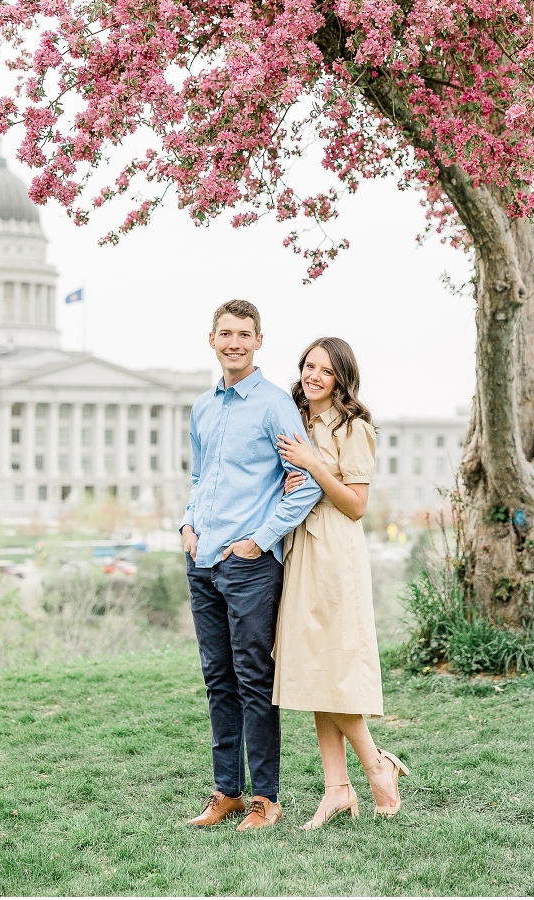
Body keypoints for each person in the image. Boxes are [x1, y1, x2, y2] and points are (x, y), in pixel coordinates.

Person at [180, 299, 323, 831]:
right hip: (203, 560)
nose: (234, 342)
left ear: (259, 341)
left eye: (244, 334)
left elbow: (304, 482)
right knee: (218, 680)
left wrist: (258, 541)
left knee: (253, 680)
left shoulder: (273, 406)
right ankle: (227, 793)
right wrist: (188, 527)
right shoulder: (202, 407)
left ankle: (266, 798)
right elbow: (200, 478)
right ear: (211, 339)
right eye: (225, 333)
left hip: (248, 566)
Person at [273, 336, 409, 828]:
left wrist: (312, 466)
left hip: (335, 553)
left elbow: (355, 504)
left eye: (325, 371)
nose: (312, 376)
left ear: (341, 379)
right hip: (300, 548)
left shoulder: (354, 428)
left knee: (335, 669)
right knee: (313, 670)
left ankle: (376, 766)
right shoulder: (296, 417)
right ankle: (337, 789)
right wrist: (291, 479)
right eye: (308, 366)